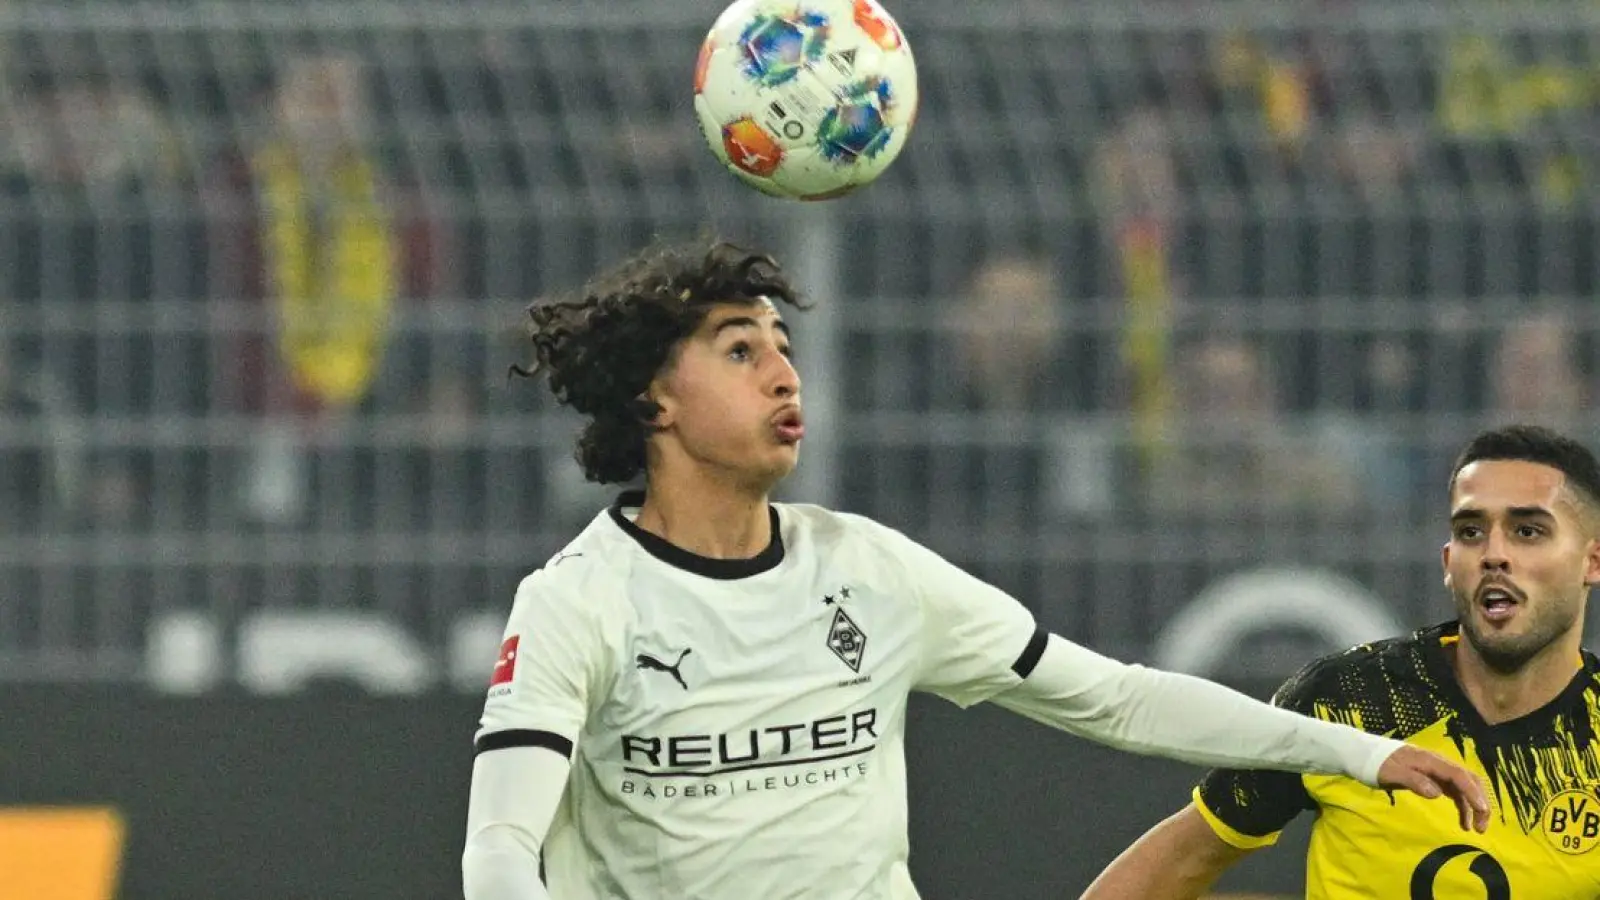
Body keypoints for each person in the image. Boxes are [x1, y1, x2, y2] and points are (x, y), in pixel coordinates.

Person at [459, 238, 1488, 900]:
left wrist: (1351, 753)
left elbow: (1118, 699)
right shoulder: (580, 602)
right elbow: (501, 851)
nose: (782, 371)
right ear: (653, 401)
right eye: (738, 351)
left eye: (783, 345)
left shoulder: (866, 570)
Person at [1081, 423, 1600, 900]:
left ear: (1592, 561)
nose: (1493, 554)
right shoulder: (1351, 702)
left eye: (1527, 531)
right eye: (1470, 531)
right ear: (1448, 563)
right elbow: (1178, 862)